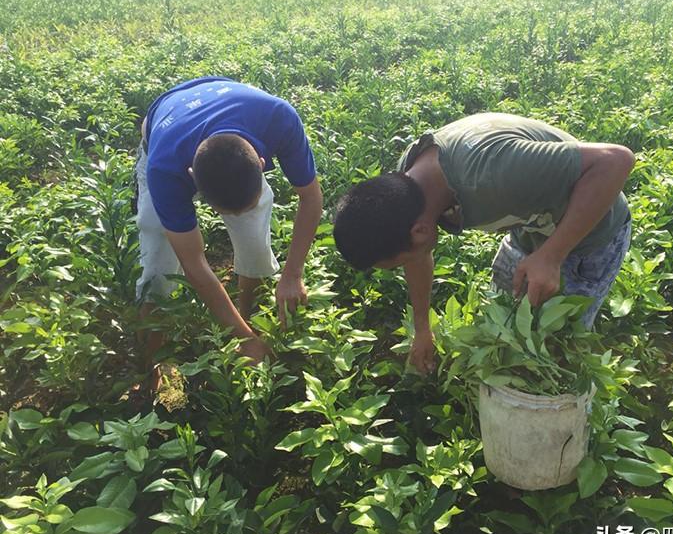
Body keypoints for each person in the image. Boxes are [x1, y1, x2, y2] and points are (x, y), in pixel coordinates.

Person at [333, 112, 633, 375]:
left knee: (559, 351)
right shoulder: (409, 184)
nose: (405, 264)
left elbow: (615, 161)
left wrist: (552, 255)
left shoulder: (494, 173)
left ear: (420, 231)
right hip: (529, 232)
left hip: (588, 235)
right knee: (505, 334)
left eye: (398, 262)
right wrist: (423, 329)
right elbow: (415, 256)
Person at [134, 76, 322, 387]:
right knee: (157, 265)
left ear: (261, 164)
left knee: (254, 241)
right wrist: (245, 339)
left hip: (228, 111)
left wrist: (293, 274)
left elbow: (311, 197)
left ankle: (244, 315)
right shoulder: (164, 170)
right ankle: (155, 362)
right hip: (165, 129)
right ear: (192, 178)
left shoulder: (280, 119)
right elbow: (194, 264)